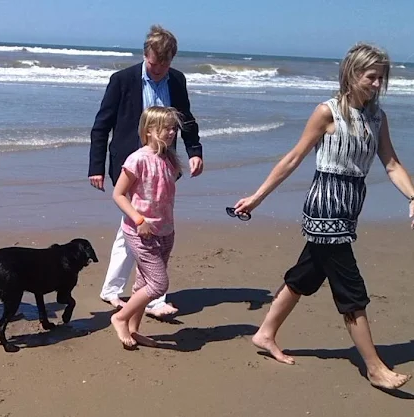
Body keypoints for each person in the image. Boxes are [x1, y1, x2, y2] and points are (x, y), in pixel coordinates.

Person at [233, 43, 413, 389]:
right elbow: (293, 158)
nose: (378, 84)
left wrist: (413, 195)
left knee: (307, 274)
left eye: (382, 78)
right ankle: (374, 367)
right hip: (325, 207)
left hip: (350, 209)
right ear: (352, 74)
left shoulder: (377, 117)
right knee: (350, 289)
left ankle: (265, 333)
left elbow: (391, 163)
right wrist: (257, 197)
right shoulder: (327, 112)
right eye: (371, 77)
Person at [89, 24, 203, 318]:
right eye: (154, 63)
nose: (158, 70)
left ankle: (113, 290)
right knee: (143, 224)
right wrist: (96, 167)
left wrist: (194, 152)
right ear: (145, 55)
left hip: (163, 163)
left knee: (135, 224)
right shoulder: (122, 80)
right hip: (129, 163)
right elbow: (101, 126)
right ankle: (153, 297)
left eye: (165, 64)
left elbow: (186, 119)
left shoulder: (176, 80)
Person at [110, 106, 181, 348]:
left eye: (174, 128)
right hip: (140, 232)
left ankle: (134, 329)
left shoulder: (169, 159)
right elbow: (118, 194)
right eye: (166, 128)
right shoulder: (137, 159)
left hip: (165, 230)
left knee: (143, 282)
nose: (171, 133)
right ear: (149, 130)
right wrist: (139, 219)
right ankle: (120, 317)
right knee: (159, 284)